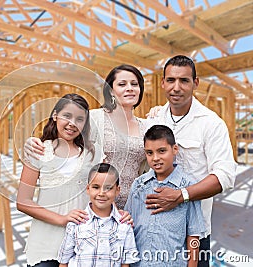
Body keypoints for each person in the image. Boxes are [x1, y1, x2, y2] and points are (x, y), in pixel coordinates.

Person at [145, 55, 236, 266]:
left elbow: (224, 176)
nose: (176, 87)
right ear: (162, 82)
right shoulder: (155, 119)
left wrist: (181, 196)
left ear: (195, 83)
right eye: (171, 80)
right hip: (157, 227)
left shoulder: (211, 124)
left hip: (194, 230)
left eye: (184, 80)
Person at [25, 64, 147, 210]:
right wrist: (33, 142)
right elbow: (66, 135)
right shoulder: (94, 118)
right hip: (94, 207)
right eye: (122, 84)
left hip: (135, 205)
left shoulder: (148, 126)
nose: (130, 88)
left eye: (135, 84)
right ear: (111, 91)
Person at [16, 93, 104, 267]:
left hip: (83, 243)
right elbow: (23, 201)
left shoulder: (93, 153)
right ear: (55, 115)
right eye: (67, 116)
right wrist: (62, 219)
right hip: (45, 243)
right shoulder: (39, 151)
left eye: (79, 119)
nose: (72, 123)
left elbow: (102, 193)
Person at [125, 125, 206, 266]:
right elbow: (127, 227)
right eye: (149, 153)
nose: (155, 158)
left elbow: (193, 235)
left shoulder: (189, 187)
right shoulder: (139, 185)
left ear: (174, 149)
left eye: (161, 151)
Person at [57, 163, 139, 267]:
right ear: (88, 189)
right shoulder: (76, 223)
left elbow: (125, 264)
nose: (101, 193)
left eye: (108, 188)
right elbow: (64, 262)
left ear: (117, 190)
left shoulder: (124, 225)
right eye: (96, 187)